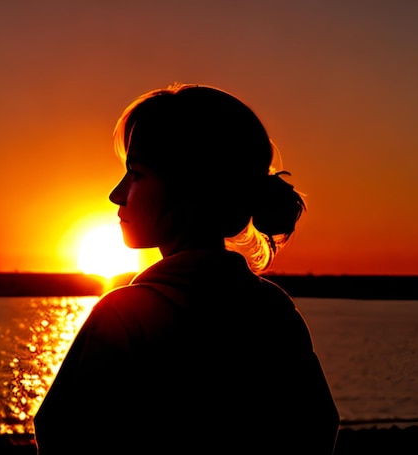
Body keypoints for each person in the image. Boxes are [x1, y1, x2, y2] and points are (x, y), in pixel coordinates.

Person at [34, 84, 339, 453]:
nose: (117, 193)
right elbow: (315, 428)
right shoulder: (273, 309)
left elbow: (64, 436)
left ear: (188, 187)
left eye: (137, 173)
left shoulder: (124, 315)